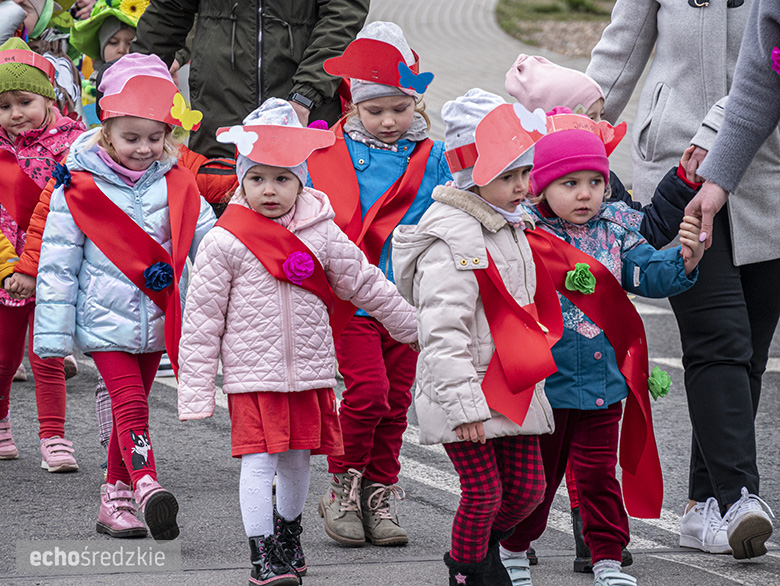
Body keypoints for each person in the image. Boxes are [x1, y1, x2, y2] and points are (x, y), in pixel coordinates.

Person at [176, 98, 418, 585]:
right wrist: (196, 390)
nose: (269, 189)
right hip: (253, 376)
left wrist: (414, 327)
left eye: (283, 178)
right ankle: (261, 552)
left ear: (302, 180)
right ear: (242, 179)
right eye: (257, 178)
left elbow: (365, 283)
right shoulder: (225, 239)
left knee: (297, 460)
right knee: (258, 463)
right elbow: (202, 321)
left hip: (310, 372)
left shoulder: (321, 230)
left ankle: (289, 534)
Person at [587, 0, 780, 558]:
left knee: (749, 355)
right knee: (719, 339)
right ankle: (739, 497)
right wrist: (569, 136)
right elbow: (619, 51)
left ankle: (703, 506)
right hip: (680, 170)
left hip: (767, 170)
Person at [503, 53, 703, 574]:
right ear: (541, 186)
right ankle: (513, 551)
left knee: (596, 476)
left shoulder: (616, 229)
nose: (585, 194)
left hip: (602, 381)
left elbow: (646, 273)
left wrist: (683, 259)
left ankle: (608, 558)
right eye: (570, 184)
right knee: (536, 481)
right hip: (544, 383)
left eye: (594, 181)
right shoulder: (524, 233)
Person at [32, 52, 216, 541]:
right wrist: (52, 338)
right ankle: (146, 482)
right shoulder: (77, 185)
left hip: (159, 317)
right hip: (102, 319)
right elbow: (57, 264)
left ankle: (114, 499)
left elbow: (212, 244)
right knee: (130, 402)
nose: (144, 148)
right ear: (106, 131)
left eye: (155, 138)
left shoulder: (179, 181)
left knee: (130, 408)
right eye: (131, 138)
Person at [391, 88, 558, 585]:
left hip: (511, 384)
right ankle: (467, 571)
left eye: (525, 172)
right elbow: (443, 329)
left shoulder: (510, 222)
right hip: (463, 391)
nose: (522, 186)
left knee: (528, 491)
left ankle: (478, 552)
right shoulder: (452, 239)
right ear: (472, 175)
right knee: (484, 493)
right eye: (508, 176)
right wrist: (463, 407)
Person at [306, 21, 452, 547]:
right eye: (375, 110)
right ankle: (342, 486)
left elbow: (457, 209)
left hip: (408, 300)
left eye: (400, 108)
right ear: (353, 105)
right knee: (368, 394)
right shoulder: (327, 153)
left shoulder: (434, 157)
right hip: (355, 300)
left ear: (417, 103)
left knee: (395, 403)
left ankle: (379, 491)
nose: (389, 121)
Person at [131, 0, 369, 158]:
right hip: (219, 116)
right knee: (218, 212)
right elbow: (168, 13)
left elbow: (342, 17)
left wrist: (306, 96)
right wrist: (131, 86)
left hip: (304, 115)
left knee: (305, 209)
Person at [0, 38, 85, 466]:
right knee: (4, 356)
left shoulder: (75, 146)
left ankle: (54, 437)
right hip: (6, 267)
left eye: (25, 102)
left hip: (54, 263)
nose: (15, 114)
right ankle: (1, 423)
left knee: (48, 352)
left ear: (49, 99)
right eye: (4, 106)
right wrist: (7, 266)